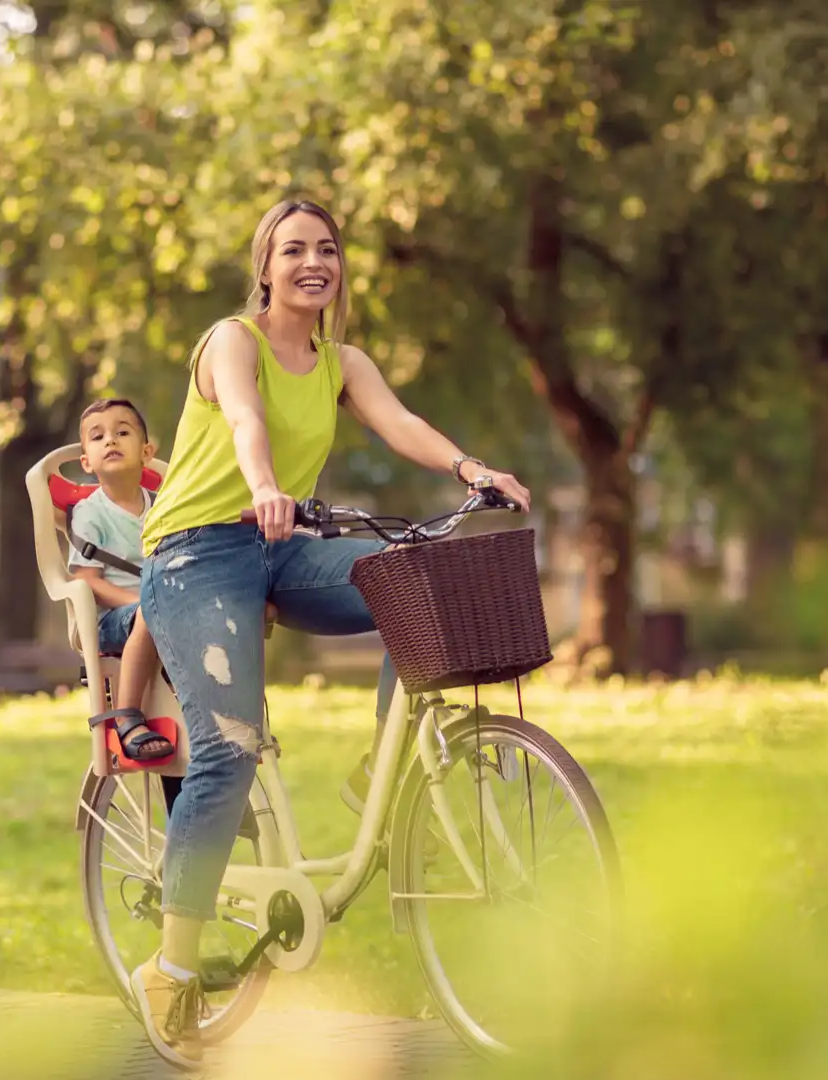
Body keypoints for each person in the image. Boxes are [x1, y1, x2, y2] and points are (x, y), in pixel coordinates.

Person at [126, 197, 534, 1066]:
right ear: (265, 268)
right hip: (197, 555)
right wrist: (266, 483)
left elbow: (399, 423)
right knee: (228, 752)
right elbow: (245, 419)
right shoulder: (232, 340)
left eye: (327, 250)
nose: (314, 262)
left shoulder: (342, 359)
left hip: (279, 546)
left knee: (416, 586)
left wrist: (470, 467)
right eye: (293, 250)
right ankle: (171, 967)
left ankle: (375, 773)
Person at [65, 397, 171, 760]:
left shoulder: (164, 506)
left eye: (122, 432)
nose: (110, 440)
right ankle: (128, 716)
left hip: (166, 608)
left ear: (146, 452)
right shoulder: (90, 513)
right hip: (114, 619)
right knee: (151, 613)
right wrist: (145, 603)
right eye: (98, 437)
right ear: (86, 462)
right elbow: (87, 580)